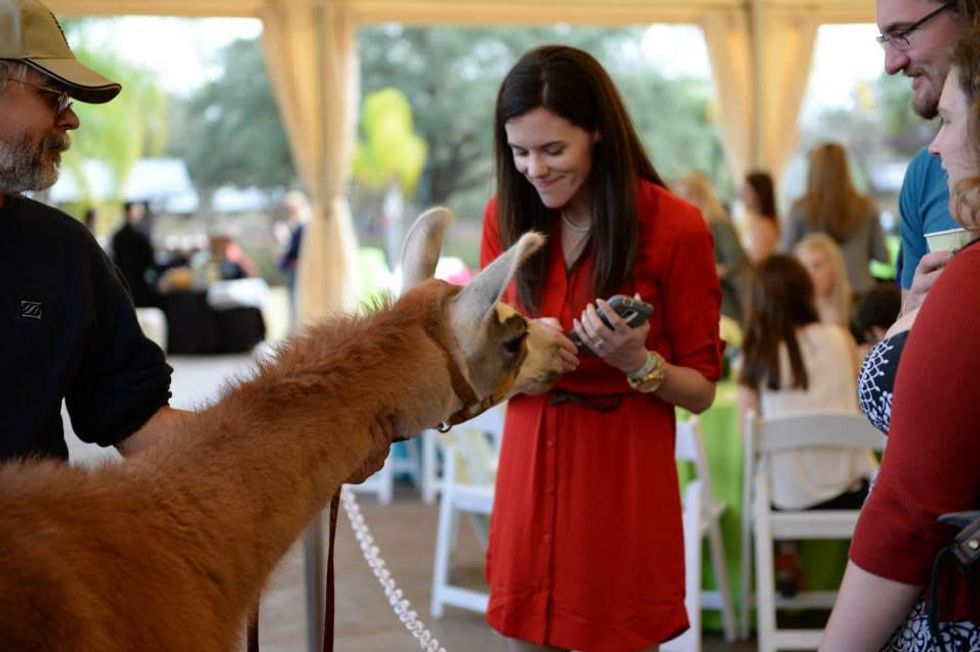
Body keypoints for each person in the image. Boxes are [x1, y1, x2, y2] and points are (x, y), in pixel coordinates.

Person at [480, 45, 723, 651]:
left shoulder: (676, 228)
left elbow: (702, 390)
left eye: (553, 149)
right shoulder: (503, 218)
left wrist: (637, 363)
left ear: (598, 133)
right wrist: (523, 353)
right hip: (528, 479)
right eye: (520, 152)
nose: (534, 169)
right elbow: (479, 364)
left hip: (621, 489)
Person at [822, 29, 980, 651]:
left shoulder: (972, 282)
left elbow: (908, 512)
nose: (935, 147)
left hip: (948, 600)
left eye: (949, 119)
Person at [0, 0, 183, 461]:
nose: (71, 118)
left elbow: (142, 425)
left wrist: (302, 439)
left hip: (34, 533)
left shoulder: (63, 250)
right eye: (53, 95)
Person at [735, 255, 875, 598]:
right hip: (851, 492)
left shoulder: (757, 352)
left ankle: (786, 553)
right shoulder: (841, 338)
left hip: (786, 500)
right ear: (807, 293)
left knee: (774, 474)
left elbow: (748, 443)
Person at [876, 0, 979, 314]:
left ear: (968, 13)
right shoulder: (924, 174)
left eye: (904, 32)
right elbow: (902, 353)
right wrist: (915, 313)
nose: (891, 64)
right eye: (885, 40)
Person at [781, 142, 890, 298]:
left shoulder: (800, 210)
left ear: (812, 169)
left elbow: (785, 256)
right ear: (845, 169)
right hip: (860, 294)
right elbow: (882, 256)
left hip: (816, 296)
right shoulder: (866, 208)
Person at [674, 171, 751, 325]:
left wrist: (707, 271)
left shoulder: (719, 224)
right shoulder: (683, 228)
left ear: (703, 197)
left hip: (722, 302)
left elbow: (737, 261)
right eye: (679, 195)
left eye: (689, 194)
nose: (682, 200)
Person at [794, 233, 855, 329]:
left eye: (817, 265)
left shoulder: (855, 306)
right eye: (804, 268)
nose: (810, 274)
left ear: (835, 268)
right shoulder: (794, 311)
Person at [111, 200, 159, 307]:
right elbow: (150, 260)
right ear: (131, 211)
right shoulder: (140, 234)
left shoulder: (118, 236)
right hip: (140, 284)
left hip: (123, 284)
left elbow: (114, 259)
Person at [277, 190, 308, 330]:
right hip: (293, 268)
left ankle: (296, 328)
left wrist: (283, 239)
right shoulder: (297, 225)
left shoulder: (302, 225)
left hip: (297, 268)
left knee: (295, 299)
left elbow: (295, 249)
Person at [740, 170, 781, 264]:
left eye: (746, 191)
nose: (742, 196)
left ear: (759, 193)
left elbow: (758, 262)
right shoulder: (757, 222)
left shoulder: (764, 226)